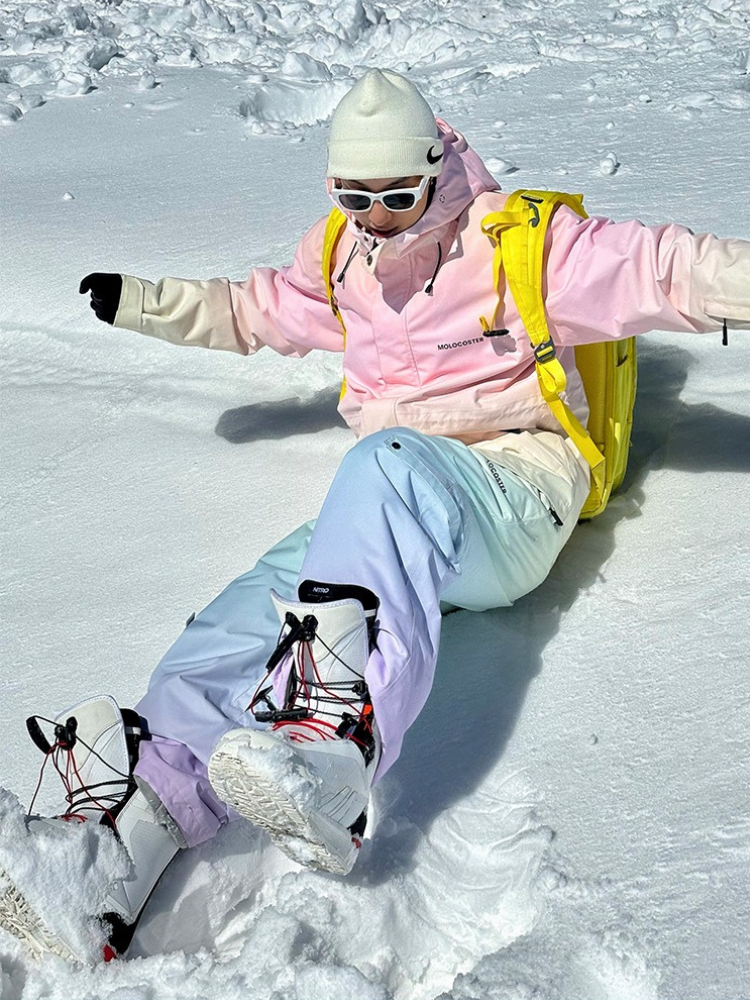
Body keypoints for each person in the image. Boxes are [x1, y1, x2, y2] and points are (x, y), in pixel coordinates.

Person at [3, 69, 749, 963]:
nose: (380, 217)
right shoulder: (342, 256)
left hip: (512, 496)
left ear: (437, 167)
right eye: (356, 198)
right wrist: (148, 303)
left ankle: (337, 753)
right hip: (391, 509)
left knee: (381, 466)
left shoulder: (522, 245)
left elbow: (673, 271)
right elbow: (258, 311)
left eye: (399, 196)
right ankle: (122, 842)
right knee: (239, 615)